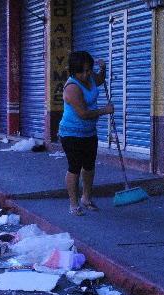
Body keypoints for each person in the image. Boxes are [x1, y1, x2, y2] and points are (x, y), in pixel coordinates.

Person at [58, 51, 113, 216]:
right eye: (83, 71)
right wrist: (105, 110)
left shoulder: (89, 78)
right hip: (71, 133)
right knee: (75, 168)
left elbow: (100, 80)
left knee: (89, 166)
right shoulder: (72, 87)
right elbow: (83, 113)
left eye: (89, 69)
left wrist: (103, 69)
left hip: (89, 132)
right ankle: (73, 204)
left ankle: (86, 198)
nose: (87, 74)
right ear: (75, 71)